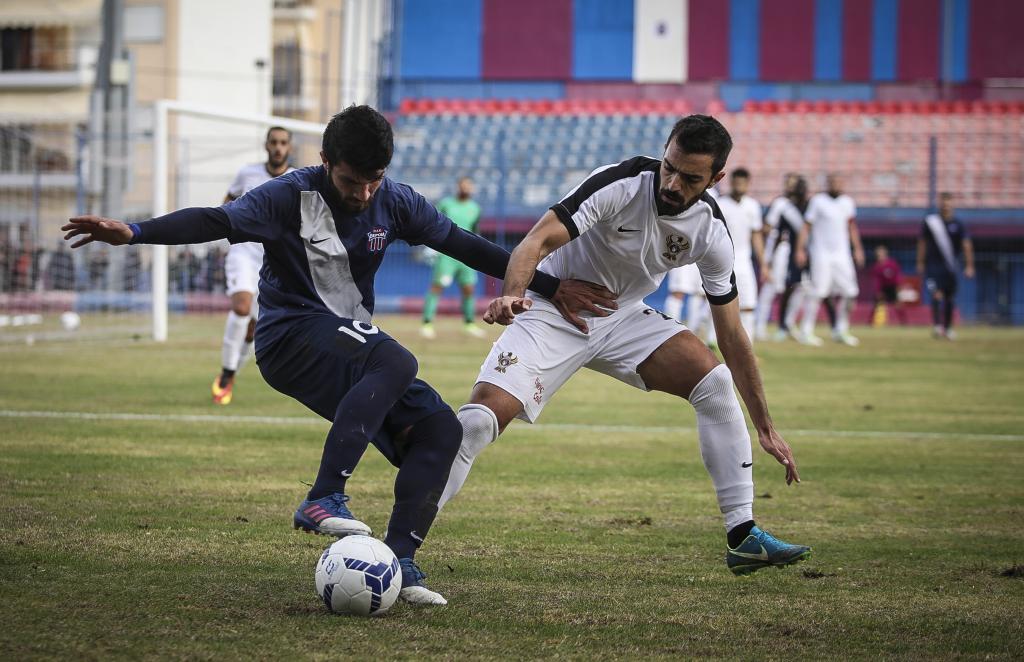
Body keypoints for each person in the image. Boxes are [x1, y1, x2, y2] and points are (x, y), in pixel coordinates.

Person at [63, 105, 611, 605]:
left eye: (374, 180)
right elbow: (216, 220)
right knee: (396, 361)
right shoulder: (286, 196)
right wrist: (133, 231)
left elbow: (463, 244)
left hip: (346, 344)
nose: (365, 193)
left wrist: (544, 284)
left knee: (442, 431)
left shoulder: (394, 199)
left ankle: (398, 563)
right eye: (353, 180)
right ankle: (323, 497)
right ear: (326, 162)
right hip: (287, 337)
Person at [438, 115, 810, 576]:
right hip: (554, 309)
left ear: (715, 178)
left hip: (621, 316)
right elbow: (536, 240)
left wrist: (766, 425)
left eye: (690, 177)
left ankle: (743, 536)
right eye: (669, 167)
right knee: (475, 423)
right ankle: (399, 546)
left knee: (715, 383)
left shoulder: (711, 230)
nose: (672, 183)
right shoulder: (621, 183)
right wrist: (515, 294)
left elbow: (732, 333)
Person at [212, 127, 296, 405]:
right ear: (266, 145)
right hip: (243, 252)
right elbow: (227, 202)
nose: (278, 148)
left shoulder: (297, 179)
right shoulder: (247, 173)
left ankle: (233, 369)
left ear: (289, 147)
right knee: (241, 307)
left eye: (283, 143)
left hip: (274, 259)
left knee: (253, 329)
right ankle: (226, 373)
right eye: (274, 142)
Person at [795, 174, 864, 346]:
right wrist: (800, 249)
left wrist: (858, 249)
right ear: (827, 184)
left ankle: (840, 329)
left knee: (851, 292)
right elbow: (806, 226)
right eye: (833, 181)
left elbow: (851, 227)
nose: (836, 184)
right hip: (821, 254)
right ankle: (806, 330)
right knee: (818, 292)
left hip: (842, 255)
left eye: (839, 181)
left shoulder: (847, 202)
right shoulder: (818, 201)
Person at [421, 177, 486, 339]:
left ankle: (469, 323)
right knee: (437, 286)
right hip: (447, 254)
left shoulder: (475, 208)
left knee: (468, 288)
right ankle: (427, 323)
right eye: (463, 185)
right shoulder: (446, 204)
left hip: (466, 255)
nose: (466, 188)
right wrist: (431, 246)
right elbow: (433, 222)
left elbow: (475, 230)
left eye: (469, 186)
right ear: (458, 186)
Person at [917, 192, 975, 339]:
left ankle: (948, 328)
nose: (946, 205)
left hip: (950, 267)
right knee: (936, 294)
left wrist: (969, 265)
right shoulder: (930, 222)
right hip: (933, 267)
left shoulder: (958, 224)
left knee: (949, 298)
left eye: (948, 202)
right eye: (943, 202)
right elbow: (922, 243)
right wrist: (920, 262)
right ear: (939, 203)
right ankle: (937, 326)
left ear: (952, 204)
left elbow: (966, 244)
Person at [715, 167, 764, 342]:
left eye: (743, 183)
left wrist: (763, 263)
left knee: (749, 303)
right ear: (731, 183)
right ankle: (713, 339)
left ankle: (748, 343)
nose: (739, 186)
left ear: (747, 184)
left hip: (744, 261)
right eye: (736, 182)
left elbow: (756, 235)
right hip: (723, 260)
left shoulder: (753, 206)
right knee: (717, 302)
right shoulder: (720, 204)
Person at [754, 173, 798, 340]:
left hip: (794, 251)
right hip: (779, 251)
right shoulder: (780, 203)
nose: (791, 187)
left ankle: (787, 323)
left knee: (796, 288)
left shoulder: (800, 205)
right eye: (789, 183)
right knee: (771, 288)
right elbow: (767, 227)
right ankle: (760, 326)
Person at [870, 245, 902, 327]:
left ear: (886, 254)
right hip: (883, 288)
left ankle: (903, 322)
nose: (880, 256)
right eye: (878, 255)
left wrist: (898, 288)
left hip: (893, 287)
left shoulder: (892, 264)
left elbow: (897, 276)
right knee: (877, 305)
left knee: (898, 305)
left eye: (881, 254)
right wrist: (878, 291)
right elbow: (876, 281)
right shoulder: (876, 267)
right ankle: (871, 322)